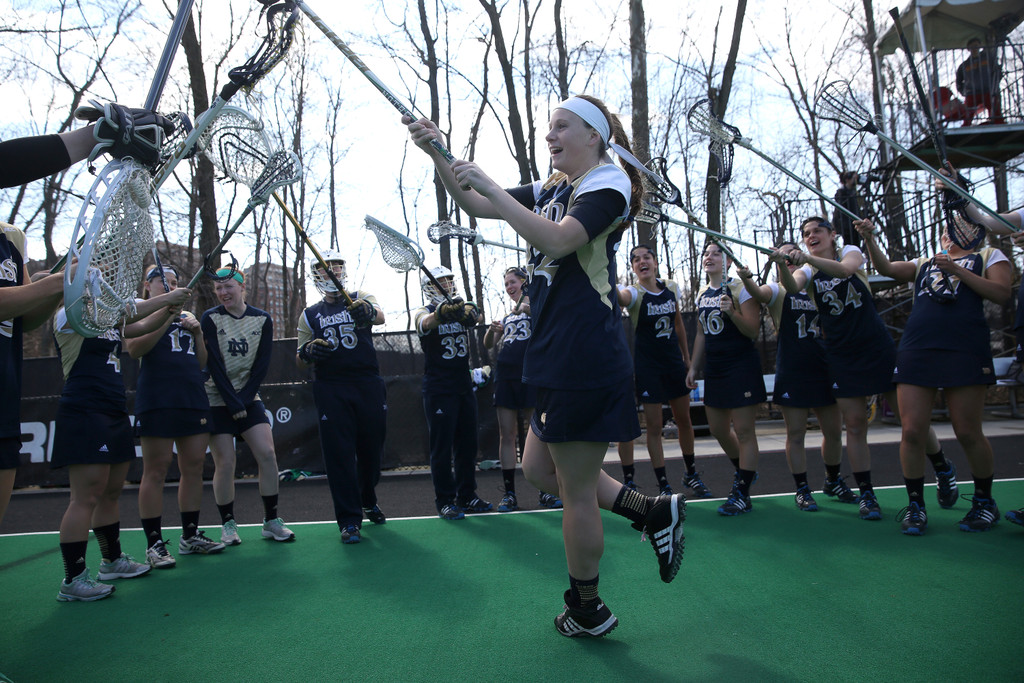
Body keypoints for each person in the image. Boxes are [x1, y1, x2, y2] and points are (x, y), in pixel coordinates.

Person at [406, 94, 686, 638]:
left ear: (595, 136)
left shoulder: (607, 184)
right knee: (540, 470)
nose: (550, 136)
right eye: (548, 128)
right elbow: (474, 204)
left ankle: (587, 608)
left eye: (562, 127)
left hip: (585, 352)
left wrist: (489, 184)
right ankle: (651, 512)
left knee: (576, 490)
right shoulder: (557, 186)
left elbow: (557, 240)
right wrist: (437, 151)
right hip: (556, 350)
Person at [779, 217, 950, 521]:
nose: (811, 236)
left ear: (832, 235)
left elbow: (845, 271)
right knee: (856, 425)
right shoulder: (807, 269)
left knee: (909, 421)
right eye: (806, 234)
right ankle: (867, 494)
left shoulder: (851, 252)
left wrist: (807, 258)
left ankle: (941, 465)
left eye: (817, 231)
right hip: (841, 355)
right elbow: (792, 288)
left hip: (876, 348)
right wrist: (783, 264)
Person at [857, 219, 1011, 534]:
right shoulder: (924, 262)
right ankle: (916, 506)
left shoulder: (989, 255)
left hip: (964, 347)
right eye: (944, 229)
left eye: (956, 228)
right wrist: (870, 239)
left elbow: (1002, 294)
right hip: (918, 348)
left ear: (971, 233)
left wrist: (959, 272)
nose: (947, 233)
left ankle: (984, 503)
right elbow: (885, 267)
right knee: (912, 431)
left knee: (967, 431)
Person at [52, 285, 190, 601]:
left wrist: (168, 312)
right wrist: (166, 299)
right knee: (86, 495)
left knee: (112, 490)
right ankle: (73, 579)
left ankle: (112, 561)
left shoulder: (109, 319)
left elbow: (141, 325)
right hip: (85, 409)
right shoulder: (69, 315)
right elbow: (128, 311)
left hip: (113, 409)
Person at [738, 244, 850, 512]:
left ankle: (833, 480)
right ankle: (802, 489)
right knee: (796, 433)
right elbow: (759, 292)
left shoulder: (814, 284)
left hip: (823, 366)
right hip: (793, 369)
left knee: (834, 432)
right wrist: (747, 279)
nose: (789, 257)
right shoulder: (779, 289)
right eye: (784, 254)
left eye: (792, 252)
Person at [125, 264, 223, 569]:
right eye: (163, 283)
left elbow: (201, 363)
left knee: (193, 466)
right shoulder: (138, 311)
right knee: (155, 470)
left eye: (174, 282)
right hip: (158, 398)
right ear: (148, 286)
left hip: (191, 397)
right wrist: (165, 312)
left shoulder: (186, 316)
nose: (170, 287)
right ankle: (154, 543)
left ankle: (190, 535)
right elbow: (136, 349)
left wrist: (197, 333)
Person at [296, 250, 387, 544]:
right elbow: (300, 357)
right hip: (331, 387)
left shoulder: (360, 296)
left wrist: (368, 313)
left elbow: (380, 315)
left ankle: (367, 496)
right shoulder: (310, 314)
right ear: (316, 275)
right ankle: (349, 521)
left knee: (372, 450)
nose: (331, 272)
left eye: (336, 266)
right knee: (339, 455)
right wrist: (308, 353)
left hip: (367, 382)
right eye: (325, 268)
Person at [201, 268, 295, 545]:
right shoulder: (210, 318)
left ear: (242, 287)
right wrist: (232, 402)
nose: (223, 293)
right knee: (225, 463)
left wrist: (244, 399)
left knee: (267, 454)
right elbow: (214, 364)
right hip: (217, 399)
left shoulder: (262, 319)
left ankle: (271, 520)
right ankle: (228, 524)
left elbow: (261, 365)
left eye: (228, 286)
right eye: (218, 288)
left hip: (247, 397)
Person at [616, 244, 706, 498]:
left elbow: (678, 324)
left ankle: (691, 473)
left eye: (647, 257)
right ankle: (663, 482)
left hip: (673, 365)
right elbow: (619, 298)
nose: (642, 262)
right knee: (654, 427)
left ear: (655, 262)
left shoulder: (671, 288)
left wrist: (687, 360)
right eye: (636, 260)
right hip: (648, 369)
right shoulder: (633, 293)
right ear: (633, 267)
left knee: (684, 420)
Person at [686, 242, 766, 516]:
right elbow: (701, 333)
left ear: (728, 261)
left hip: (741, 365)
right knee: (719, 429)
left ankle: (742, 492)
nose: (709, 257)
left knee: (744, 431)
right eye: (706, 254)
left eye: (717, 253)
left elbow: (753, 331)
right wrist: (694, 368)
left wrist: (732, 312)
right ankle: (745, 472)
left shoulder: (740, 288)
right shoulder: (702, 293)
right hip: (716, 369)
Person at [412, 266, 492, 520]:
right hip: (439, 387)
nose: (446, 286)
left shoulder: (459, 305)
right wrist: (441, 313)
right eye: (440, 283)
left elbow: (474, 314)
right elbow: (424, 323)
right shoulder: (424, 311)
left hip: (462, 384)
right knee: (442, 446)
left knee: (468, 444)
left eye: (448, 281)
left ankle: (467, 495)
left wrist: (468, 311)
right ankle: (445, 500)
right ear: (429, 287)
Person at [0, 223, 67, 528]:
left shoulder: (12, 236)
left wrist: (58, 291)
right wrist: (54, 284)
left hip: (5, 395)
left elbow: (24, 319)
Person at [483, 266, 561, 512]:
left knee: (536, 432)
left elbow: (550, 323)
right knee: (507, 435)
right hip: (505, 375)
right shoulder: (507, 316)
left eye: (512, 282)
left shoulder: (538, 305)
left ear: (524, 283)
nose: (509, 287)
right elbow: (488, 345)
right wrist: (491, 330)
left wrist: (529, 307)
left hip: (530, 375)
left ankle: (545, 491)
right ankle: (509, 494)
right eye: (506, 284)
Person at [955, 37, 1003, 126]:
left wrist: (994, 85)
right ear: (969, 49)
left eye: (976, 46)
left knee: (995, 111)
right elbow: (958, 81)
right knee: (968, 114)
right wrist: (964, 91)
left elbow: (998, 72)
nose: (975, 48)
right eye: (972, 47)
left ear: (980, 46)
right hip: (971, 93)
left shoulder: (988, 59)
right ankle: (966, 128)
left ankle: (999, 124)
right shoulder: (964, 65)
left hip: (988, 90)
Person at [833, 171, 863, 249]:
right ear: (847, 180)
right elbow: (840, 208)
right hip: (847, 226)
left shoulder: (853, 192)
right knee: (850, 246)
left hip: (854, 224)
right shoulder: (841, 192)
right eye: (854, 178)